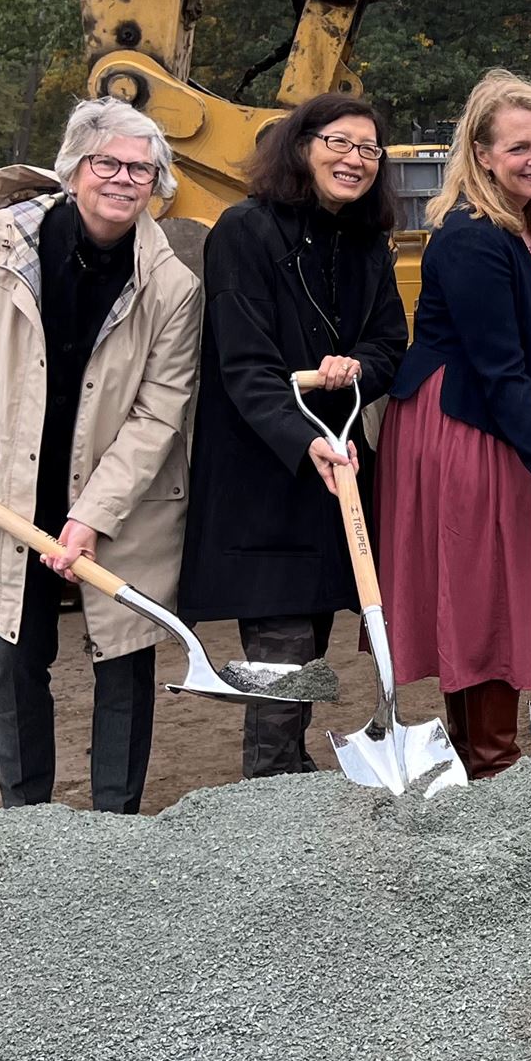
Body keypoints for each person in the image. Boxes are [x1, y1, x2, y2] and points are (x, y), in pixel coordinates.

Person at [0, 98, 201, 814]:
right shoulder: (4, 248)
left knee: (123, 654)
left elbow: (158, 413)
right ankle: (27, 825)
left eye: (140, 169)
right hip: (9, 484)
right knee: (14, 656)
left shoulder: (173, 286)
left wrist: (91, 515)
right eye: (107, 163)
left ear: (157, 182)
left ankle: (116, 824)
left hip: (118, 496)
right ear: (74, 168)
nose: (123, 179)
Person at [376, 70, 531, 776]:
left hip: (499, 413)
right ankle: (494, 767)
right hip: (463, 426)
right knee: (479, 591)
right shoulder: (472, 237)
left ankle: (484, 759)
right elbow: (499, 369)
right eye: (518, 148)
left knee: (486, 590)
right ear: (480, 156)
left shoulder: (529, 225)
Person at [176, 94, 409, 776]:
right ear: (300, 145)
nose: (355, 159)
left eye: (369, 150)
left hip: (334, 470)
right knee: (276, 650)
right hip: (266, 473)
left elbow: (390, 343)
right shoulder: (242, 232)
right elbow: (243, 363)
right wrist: (299, 433)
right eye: (340, 142)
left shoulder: (365, 243)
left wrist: (358, 365)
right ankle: (270, 782)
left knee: (311, 639)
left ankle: (290, 769)